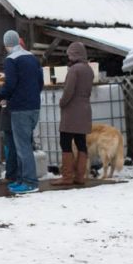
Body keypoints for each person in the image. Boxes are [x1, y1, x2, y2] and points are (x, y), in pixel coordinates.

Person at [0, 30, 44, 194]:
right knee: (26, 144)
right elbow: (40, 82)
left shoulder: (11, 60)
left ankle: (30, 182)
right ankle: (22, 179)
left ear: (6, 44)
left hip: (20, 108)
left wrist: (0, 96)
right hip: (34, 106)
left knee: (22, 147)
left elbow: (10, 84)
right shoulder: (32, 58)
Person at [52, 41, 94, 186]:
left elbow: (68, 91)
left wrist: (61, 102)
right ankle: (80, 176)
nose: (68, 57)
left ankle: (67, 177)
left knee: (65, 142)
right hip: (85, 110)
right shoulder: (89, 70)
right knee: (81, 142)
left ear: (74, 54)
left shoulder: (74, 70)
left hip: (71, 112)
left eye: (70, 54)